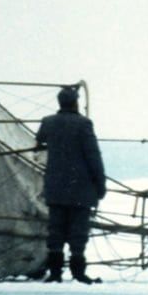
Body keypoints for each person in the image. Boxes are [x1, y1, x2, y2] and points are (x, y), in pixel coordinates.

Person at [35, 86, 107, 283]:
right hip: (81, 190)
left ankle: (55, 273)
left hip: (56, 188)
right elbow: (93, 156)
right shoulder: (84, 124)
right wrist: (100, 184)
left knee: (56, 231)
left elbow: (39, 140)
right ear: (76, 102)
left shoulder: (48, 122)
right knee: (78, 233)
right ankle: (78, 273)